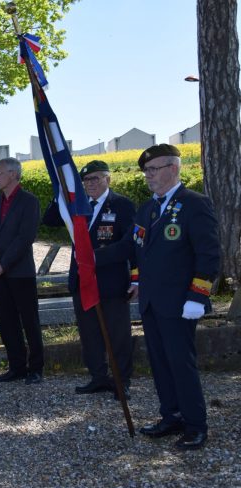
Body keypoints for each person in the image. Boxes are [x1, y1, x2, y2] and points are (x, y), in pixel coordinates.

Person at [97, 144, 220, 450]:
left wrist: (198, 295)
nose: (148, 176)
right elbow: (131, 247)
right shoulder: (148, 208)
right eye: (146, 171)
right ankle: (171, 415)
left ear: (173, 169)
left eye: (153, 170)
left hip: (181, 302)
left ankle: (195, 424)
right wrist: (92, 256)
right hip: (151, 301)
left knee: (181, 363)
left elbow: (209, 254)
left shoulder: (194, 204)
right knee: (160, 362)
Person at [42, 160, 136, 397]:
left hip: (111, 281)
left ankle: (121, 380)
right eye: (86, 180)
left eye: (96, 178)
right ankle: (98, 376)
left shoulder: (122, 205)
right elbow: (50, 220)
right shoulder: (76, 205)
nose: (90, 184)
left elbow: (132, 245)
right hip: (82, 280)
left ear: (108, 179)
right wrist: (60, 195)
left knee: (118, 335)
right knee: (90, 333)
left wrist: (135, 278)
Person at [0, 157, 43, 384]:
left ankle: (35, 369)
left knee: (29, 321)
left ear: (14, 174)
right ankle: (16, 367)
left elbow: (25, 237)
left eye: (0, 172)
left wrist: (3, 263)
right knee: (7, 322)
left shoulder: (29, 202)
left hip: (20, 272)